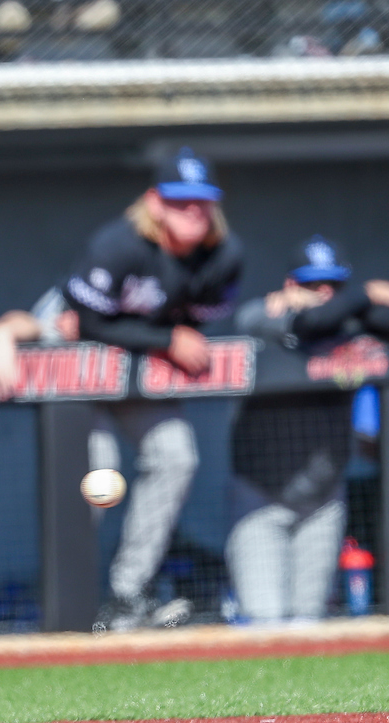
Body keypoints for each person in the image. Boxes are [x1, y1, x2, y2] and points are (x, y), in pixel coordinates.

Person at [60, 147, 243, 632]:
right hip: (82, 369)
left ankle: (128, 593)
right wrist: (166, 338)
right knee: (96, 479)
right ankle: (66, 603)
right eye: (180, 201)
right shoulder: (119, 244)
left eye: (201, 202)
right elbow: (83, 321)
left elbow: (199, 321)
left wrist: (164, 340)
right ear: (155, 202)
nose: (193, 212)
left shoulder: (222, 256)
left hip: (140, 376)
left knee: (176, 456)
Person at [227, 235, 389, 623]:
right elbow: (311, 322)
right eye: (312, 284)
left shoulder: (355, 326)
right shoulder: (263, 314)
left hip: (324, 499)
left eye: (332, 285)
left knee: (310, 625)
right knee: (264, 623)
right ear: (289, 285)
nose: (323, 293)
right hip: (260, 496)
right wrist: (369, 293)